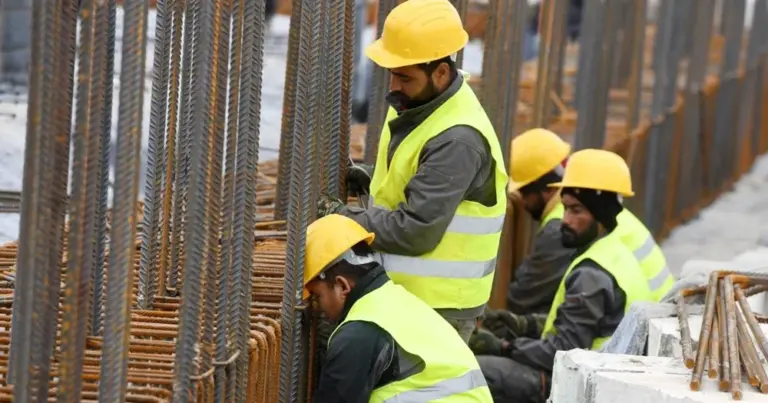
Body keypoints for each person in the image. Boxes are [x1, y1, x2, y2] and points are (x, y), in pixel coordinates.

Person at [316, 0, 508, 343]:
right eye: (393, 74)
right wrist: (370, 174)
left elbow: (416, 230)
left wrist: (342, 219)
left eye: (405, 76)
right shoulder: (420, 103)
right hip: (409, 295)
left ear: (441, 73)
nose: (395, 85)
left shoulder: (458, 138)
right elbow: (417, 174)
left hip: (437, 309)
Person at [471, 149, 654, 403]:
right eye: (566, 208)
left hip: (582, 385)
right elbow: (576, 324)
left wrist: (504, 347)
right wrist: (524, 324)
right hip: (602, 375)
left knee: (471, 372)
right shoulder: (612, 251)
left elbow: (563, 351)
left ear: (600, 215)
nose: (565, 220)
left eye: (577, 211)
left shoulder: (592, 274)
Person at [482, 130, 675, 342]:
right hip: (651, 320)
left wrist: (508, 340)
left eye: (523, 196)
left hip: (635, 333)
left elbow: (525, 297)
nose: (523, 205)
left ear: (542, 190)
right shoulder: (597, 211)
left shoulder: (561, 229)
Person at [305, 214, 493, 402]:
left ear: (343, 286)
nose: (318, 308)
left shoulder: (360, 331)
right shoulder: (394, 301)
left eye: (317, 296)